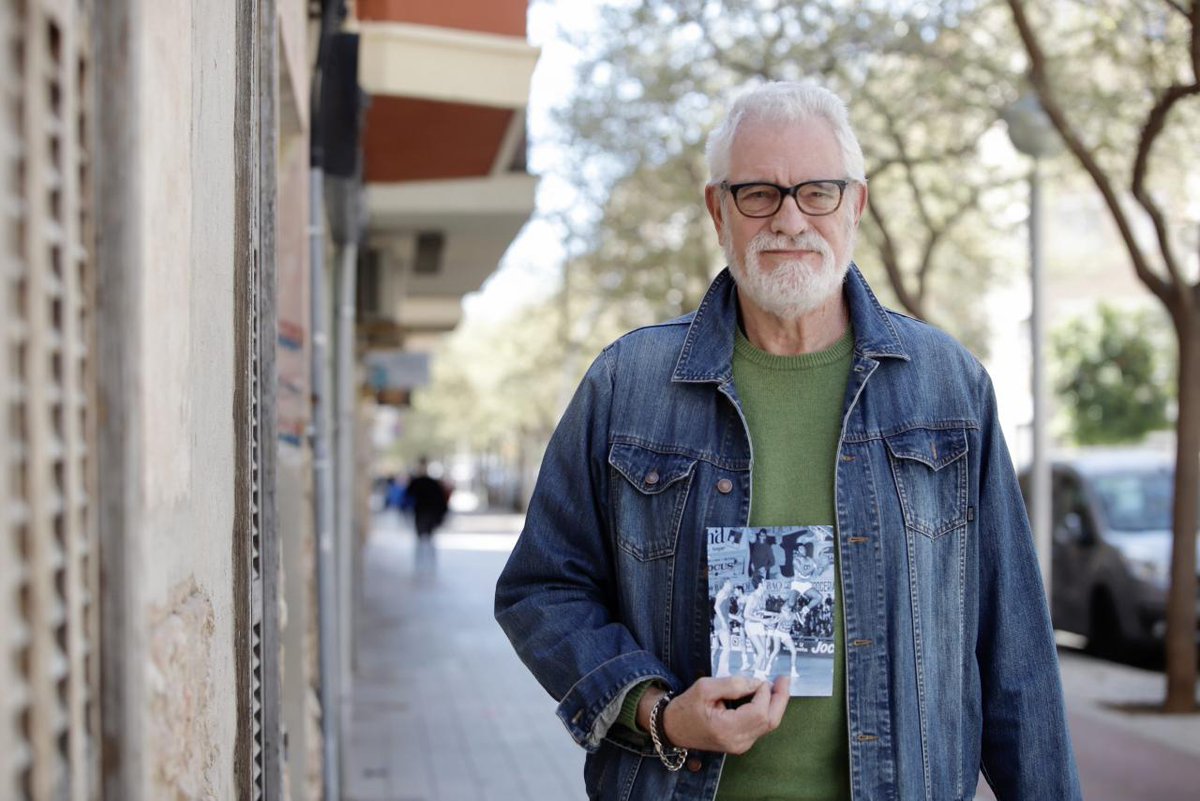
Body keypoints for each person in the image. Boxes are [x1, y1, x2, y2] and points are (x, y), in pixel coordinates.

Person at [494, 80, 1080, 800]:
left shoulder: (947, 389)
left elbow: (1016, 654)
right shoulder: (628, 386)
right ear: (718, 211)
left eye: (818, 192)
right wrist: (660, 712)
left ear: (856, 205)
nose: (791, 219)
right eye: (759, 194)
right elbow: (542, 585)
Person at [405, 457, 448, 541]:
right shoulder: (419, 482)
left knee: (425, 535)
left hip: (426, 511)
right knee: (424, 535)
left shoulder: (429, 482)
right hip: (422, 511)